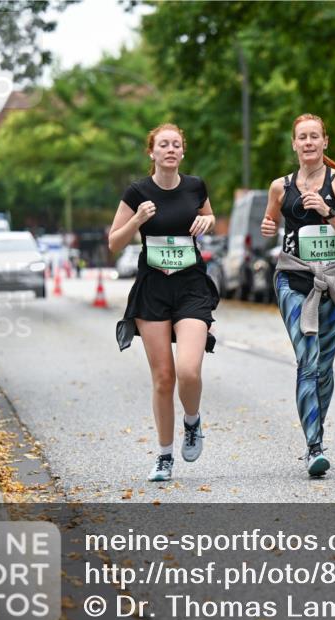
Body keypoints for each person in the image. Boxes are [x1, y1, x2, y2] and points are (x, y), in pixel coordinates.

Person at [108, 123, 219, 482]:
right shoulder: (137, 191)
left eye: (176, 145)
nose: (170, 150)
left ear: (182, 152)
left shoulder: (195, 186)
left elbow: (210, 216)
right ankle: (164, 455)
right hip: (153, 288)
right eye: (163, 145)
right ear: (152, 153)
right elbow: (114, 242)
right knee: (163, 377)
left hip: (191, 287)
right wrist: (138, 219)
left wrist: (207, 220)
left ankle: (192, 420)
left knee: (188, 370)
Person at [261, 114, 335, 477]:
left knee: (324, 367)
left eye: (314, 137)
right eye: (301, 137)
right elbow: (270, 221)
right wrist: (268, 225)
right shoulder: (280, 186)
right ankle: (314, 447)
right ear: (294, 144)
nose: (308, 142)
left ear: (325, 142)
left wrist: (328, 211)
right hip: (293, 277)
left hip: (334, 280)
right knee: (307, 360)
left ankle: (314, 437)